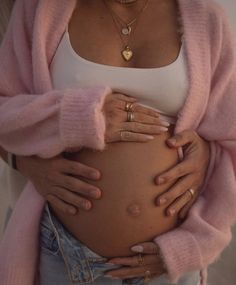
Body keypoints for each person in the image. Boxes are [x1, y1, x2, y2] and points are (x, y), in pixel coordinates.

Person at [0, 0, 236, 285]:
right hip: (61, 251)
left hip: (166, 263)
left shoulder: (205, 17)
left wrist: (208, 155)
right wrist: (75, 118)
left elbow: (229, 137)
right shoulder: (41, 9)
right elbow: (5, 110)